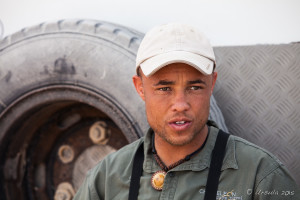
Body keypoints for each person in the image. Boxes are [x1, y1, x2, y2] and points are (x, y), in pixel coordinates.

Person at [73, 23, 300, 200]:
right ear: (140, 88)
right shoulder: (104, 180)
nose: (180, 104)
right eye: (164, 88)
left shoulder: (262, 176)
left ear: (212, 83)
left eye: (194, 87)